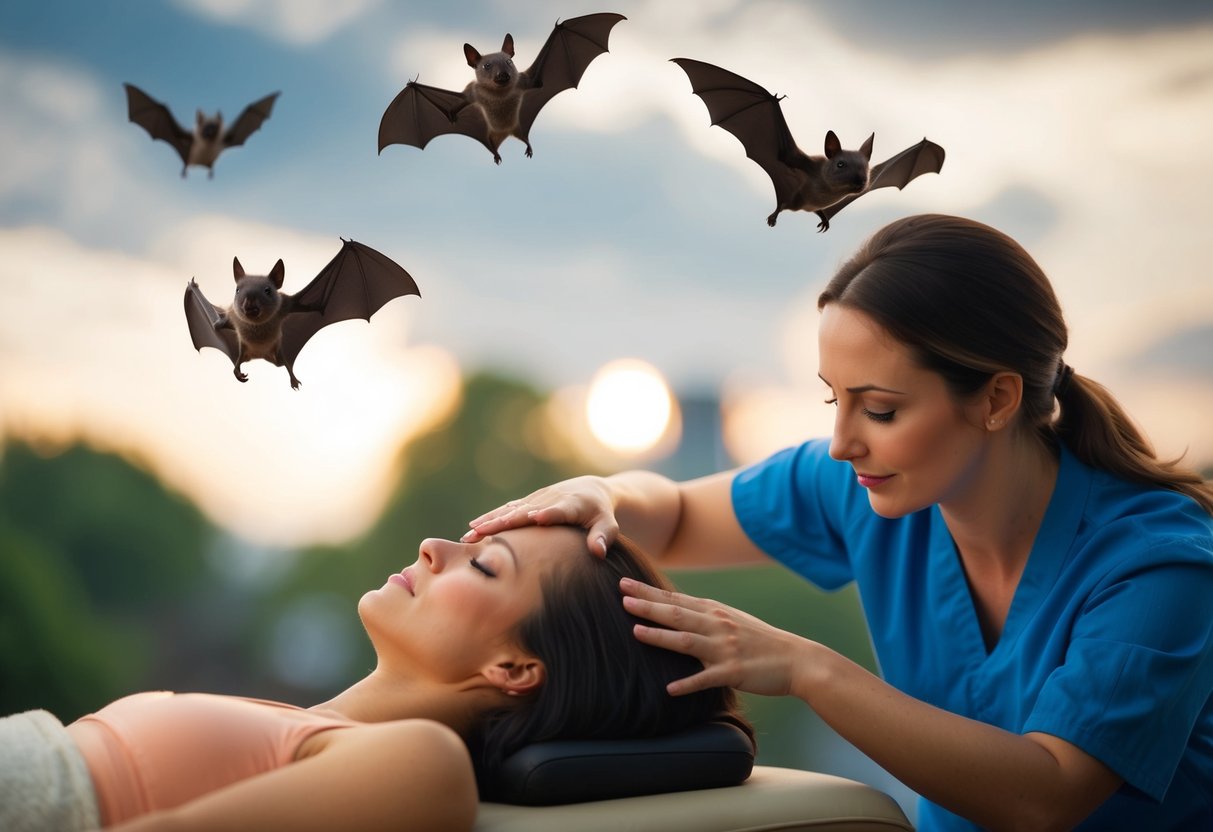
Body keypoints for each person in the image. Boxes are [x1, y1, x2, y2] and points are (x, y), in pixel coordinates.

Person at [463, 213, 1213, 831]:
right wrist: (607, 494)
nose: (842, 441)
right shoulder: (862, 485)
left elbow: (1044, 795)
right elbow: (681, 514)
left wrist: (806, 670)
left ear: (996, 399)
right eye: (835, 399)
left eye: (880, 409)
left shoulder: (1157, 567)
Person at [0, 525, 749, 832]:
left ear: (515, 668)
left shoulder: (419, 759)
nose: (433, 545)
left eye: (485, 565)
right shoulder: (305, 727)